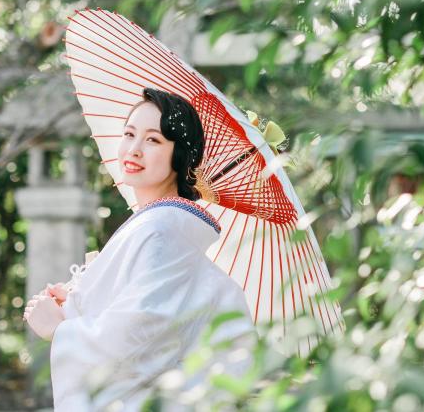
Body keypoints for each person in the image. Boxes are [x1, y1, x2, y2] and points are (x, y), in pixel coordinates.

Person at [23, 88, 257, 411]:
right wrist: (80, 301)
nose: (133, 150)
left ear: (180, 155)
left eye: (153, 140)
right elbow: (152, 315)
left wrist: (60, 329)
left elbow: (138, 333)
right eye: (129, 134)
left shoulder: (161, 229)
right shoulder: (160, 223)